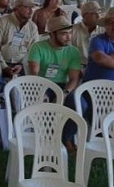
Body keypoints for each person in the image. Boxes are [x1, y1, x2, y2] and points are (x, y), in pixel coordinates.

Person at [28, 15, 83, 151]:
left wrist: (64, 93)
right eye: (64, 34)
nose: (68, 37)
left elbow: (74, 79)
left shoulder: (73, 51)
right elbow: (34, 73)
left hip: (63, 86)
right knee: (43, 99)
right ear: (52, 34)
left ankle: (66, 137)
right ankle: (46, 138)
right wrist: (41, 90)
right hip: (42, 84)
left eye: (70, 33)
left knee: (79, 103)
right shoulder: (38, 47)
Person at [0, 0, 39, 78]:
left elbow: (33, 51)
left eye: (32, 8)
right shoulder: (2, 22)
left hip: (22, 66)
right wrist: (4, 67)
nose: (31, 11)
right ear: (17, 8)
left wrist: (22, 65)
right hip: (1, 63)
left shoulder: (32, 27)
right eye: (27, 7)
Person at [71, 1, 102, 68]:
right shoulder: (73, 30)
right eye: (95, 13)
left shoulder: (103, 30)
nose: (99, 16)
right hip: (77, 66)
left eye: (99, 12)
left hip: (99, 66)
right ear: (85, 15)